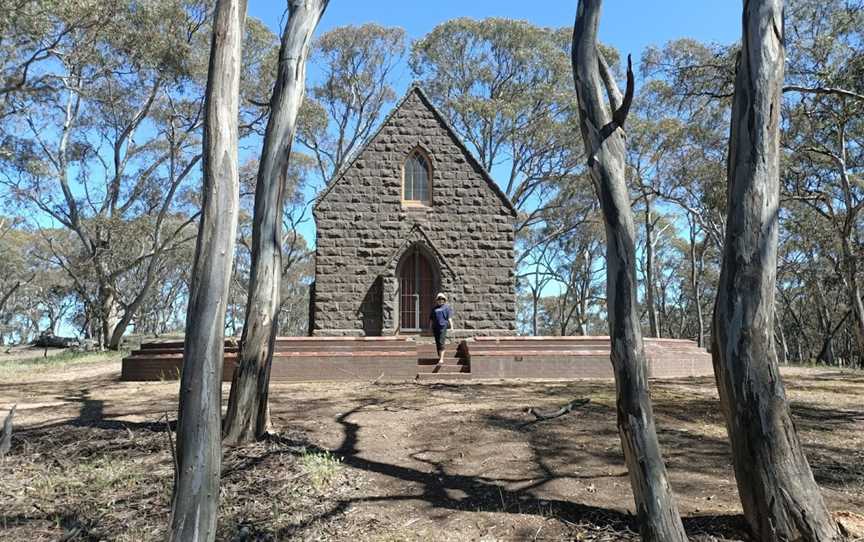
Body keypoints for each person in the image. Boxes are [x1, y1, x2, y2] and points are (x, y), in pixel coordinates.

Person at [429, 292, 453, 365]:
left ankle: (441, 359)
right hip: (435, 327)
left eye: (442, 299)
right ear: (437, 300)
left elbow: (449, 318)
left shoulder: (446, 307)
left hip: (443, 327)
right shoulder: (434, 309)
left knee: (441, 342)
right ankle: (440, 357)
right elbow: (431, 319)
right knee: (437, 343)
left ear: (444, 300)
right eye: (439, 299)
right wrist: (430, 327)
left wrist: (452, 327)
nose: (440, 300)